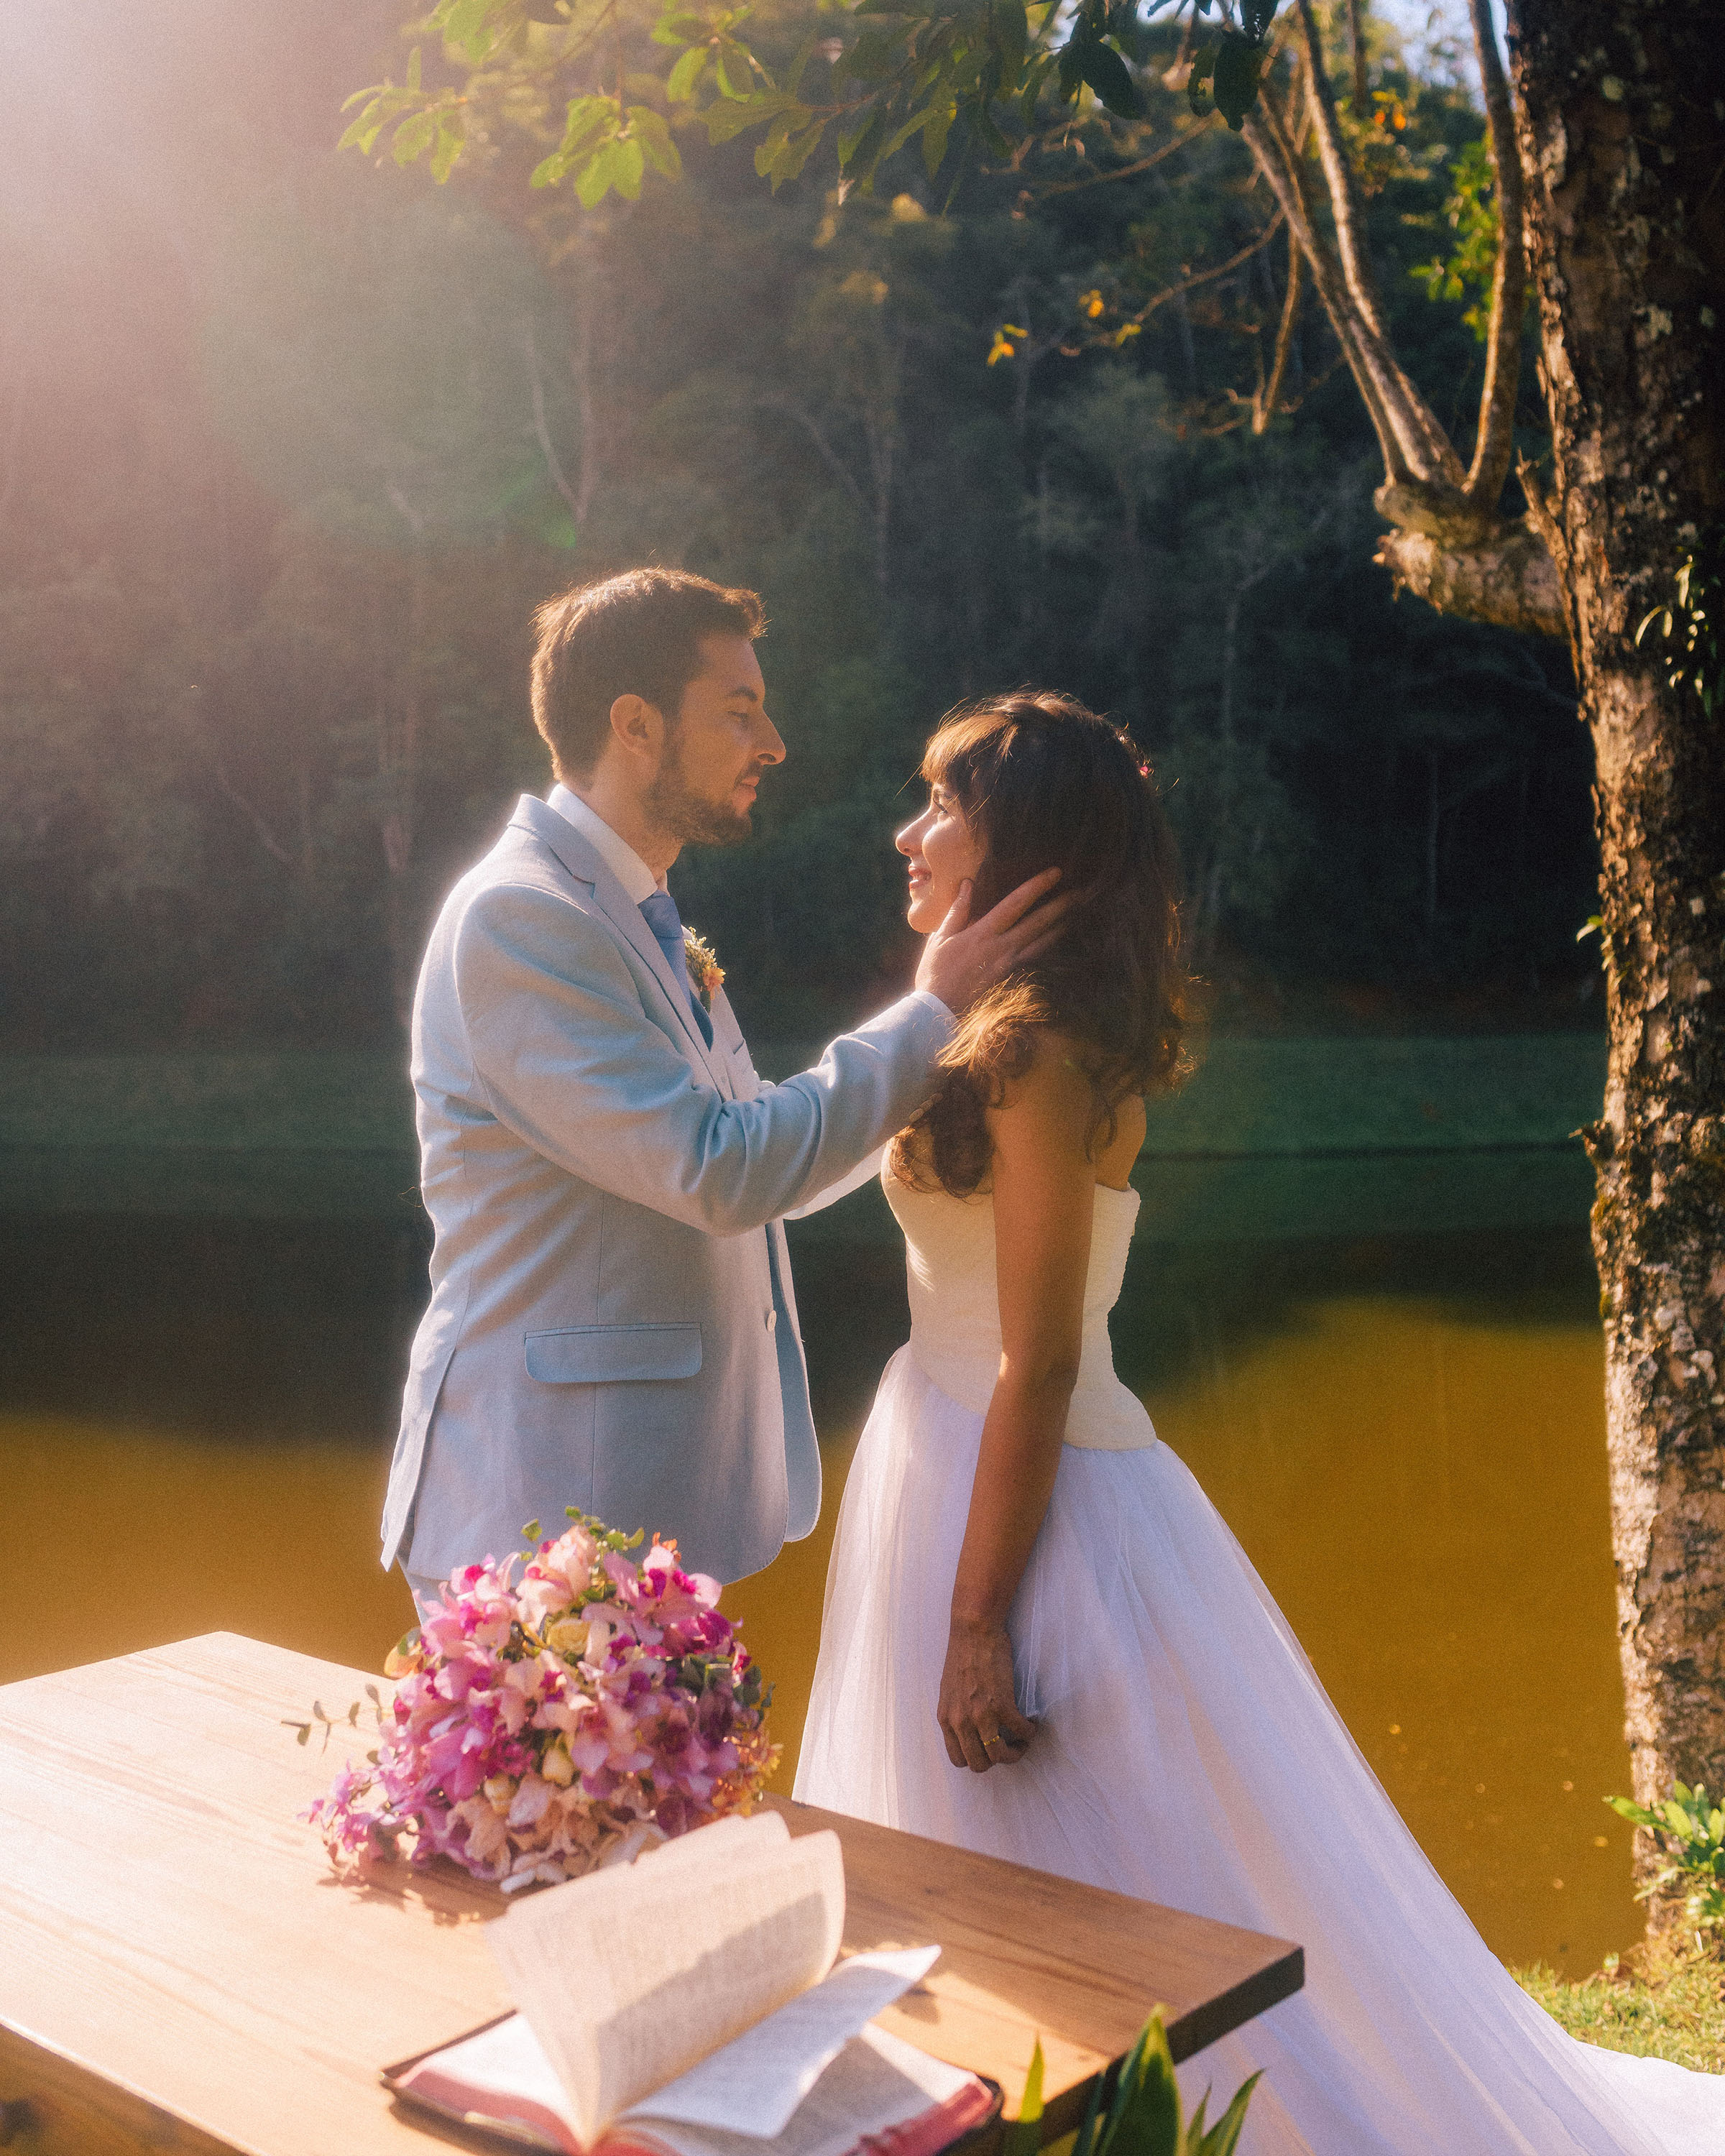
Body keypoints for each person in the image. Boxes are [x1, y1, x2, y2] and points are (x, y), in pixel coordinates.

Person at [794, 691, 1725, 2155]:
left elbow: (1039, 1360)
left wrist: (979, 1619)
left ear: (1019, 840)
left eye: (941, 809)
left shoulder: (1037, 1054)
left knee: (1114, 1858)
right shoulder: (989, 1018)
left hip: (1031, 1490)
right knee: (987, 1857)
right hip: (947, 1453)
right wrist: (933, 974)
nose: (908, 833)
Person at [379, 569, 1062, 1607]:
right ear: (636, 726)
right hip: (544, 1516)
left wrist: (949, 1067)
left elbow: (754, 1152)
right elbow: (720, 1170)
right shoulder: (524, 918)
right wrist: (931, 1014)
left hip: (630, 1510)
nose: (774, 742)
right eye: (739, 712)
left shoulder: (632, 911)